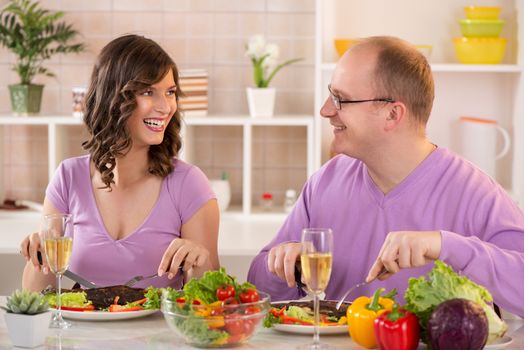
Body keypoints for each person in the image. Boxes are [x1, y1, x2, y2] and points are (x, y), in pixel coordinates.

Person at [247, 36, 524, 316]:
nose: (326, 110)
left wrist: (447, 246)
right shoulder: (325, 182)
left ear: (393, 114)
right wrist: (282, 264)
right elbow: (257, 294)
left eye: (341, 99)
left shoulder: (476, 193)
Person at [20, 34, 220, 291]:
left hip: (159, 331)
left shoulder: (188, 184)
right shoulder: (68, 178)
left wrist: (198, 262)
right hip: (79, 330)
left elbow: (212, 300)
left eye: (170, 92)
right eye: (149, 92)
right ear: (113, 98)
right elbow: (35, 296)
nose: (166, 106)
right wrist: (39, 253)